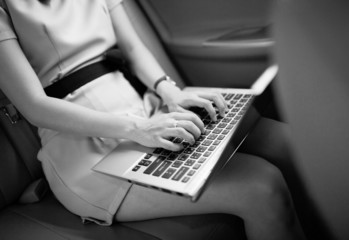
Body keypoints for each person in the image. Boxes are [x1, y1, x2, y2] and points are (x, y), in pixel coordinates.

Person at [0, 1, 306, 239]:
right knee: (261, 186)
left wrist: (170, 92)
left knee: (288, 143)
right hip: (83, 148)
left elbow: (133, 49)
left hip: (146, 110)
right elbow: (34, 106)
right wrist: (138, 129)